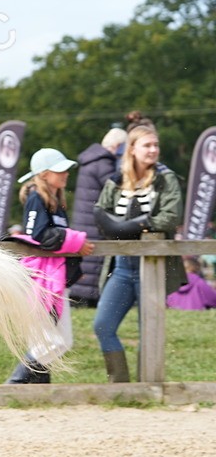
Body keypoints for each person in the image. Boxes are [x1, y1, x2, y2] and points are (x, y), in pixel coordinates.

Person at [92, 123, 185, 382]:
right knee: (103, 324)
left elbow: (170, 216)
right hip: (122, 267)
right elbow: (100, 211)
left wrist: (135, 224)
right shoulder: (116, 180)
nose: (153, 150)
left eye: (156, 145)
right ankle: (119, 383)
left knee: (150, 331)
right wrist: (117, 226)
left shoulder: (166, 179)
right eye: (147, 145)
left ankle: (148, 385)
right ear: (132, 149)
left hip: (152, 267)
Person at [3, 148, 94, 384]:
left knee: (47, 340)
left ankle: (35, 389)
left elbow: (56, 240)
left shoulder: (56, 200)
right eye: (59, 170)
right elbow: (39, 235)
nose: (65, 174)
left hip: (55, 277)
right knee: (57, 341)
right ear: (43, 174)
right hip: (43, 280)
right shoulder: (37, 198)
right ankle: (16, 383)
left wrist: (75, 267)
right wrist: (76, 240)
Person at [70, 127, 127, 306]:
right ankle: (90, 300)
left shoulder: (90, 161)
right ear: (118, 146)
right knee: (94, 265)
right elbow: (118, 190)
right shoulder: (104, 164)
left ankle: (82, 299)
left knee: (86, 264)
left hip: (84, 223)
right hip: (95, 226)